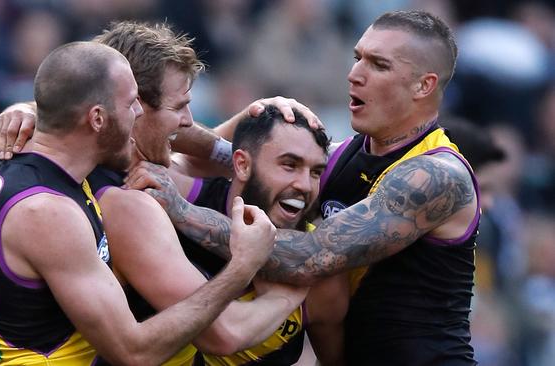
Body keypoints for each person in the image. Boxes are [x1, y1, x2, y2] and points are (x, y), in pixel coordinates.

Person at [129, 10, 479, 365]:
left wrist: (183, 211)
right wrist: (249, 120)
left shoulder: (436, 175)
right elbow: (189, 143)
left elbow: (310, 257)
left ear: (424, 85)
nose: (355, 74)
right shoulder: (338, 158)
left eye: (379, 65)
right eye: (357, 58)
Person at [0, 21, 314, 365]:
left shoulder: (21, 159)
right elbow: (220, 334)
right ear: (123, 107)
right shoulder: (120, 203)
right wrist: (286, 289)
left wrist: (259, 119)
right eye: (179, 107)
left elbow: (194, 147)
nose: (188, 120)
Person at [161, 105, 346, 365]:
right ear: (242, 164)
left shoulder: (322, 271)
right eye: (289, 165)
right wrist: (247, 113)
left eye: (316, 172)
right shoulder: (173, 198)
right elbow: (140, 125)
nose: (305, 185)